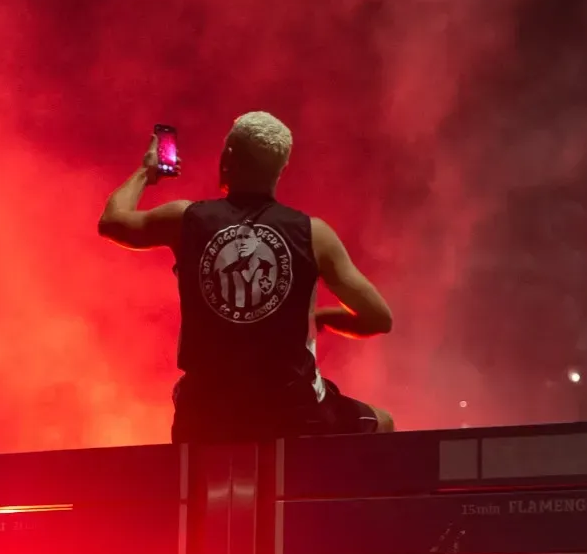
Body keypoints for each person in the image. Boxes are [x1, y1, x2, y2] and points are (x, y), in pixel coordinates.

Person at [97, 110, 396, 445]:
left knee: (192, 405)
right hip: (291, 414)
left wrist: (145, 172)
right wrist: (323, 317)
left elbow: (112, 222)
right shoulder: (314, 234)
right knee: (381, 422)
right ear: (281, 170)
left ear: (227, 159)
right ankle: (326, 495)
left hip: (205, 415)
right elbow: (377, 318)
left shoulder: (184, 219)